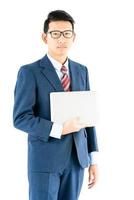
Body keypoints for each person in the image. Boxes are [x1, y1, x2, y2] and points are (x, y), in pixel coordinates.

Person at [13, 10, 99, 200]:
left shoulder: (81, 71)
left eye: (67, 33)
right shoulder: (29, 72)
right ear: (45, 37)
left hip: (77, 160)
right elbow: (21, 118)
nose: (62, 39)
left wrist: (93, 159)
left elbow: (88, 117)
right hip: (45, 161)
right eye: (56, 33)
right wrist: (59, 129)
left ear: (74, 37)